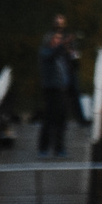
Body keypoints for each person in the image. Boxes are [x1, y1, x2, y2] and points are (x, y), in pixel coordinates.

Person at [36, 16, 81, 156]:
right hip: (51, 89)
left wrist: (72, 53)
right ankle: (43, 148)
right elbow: (53, 54)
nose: (57, 41)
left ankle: (59, 148)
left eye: (58, 39)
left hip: (62, 89)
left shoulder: (61, 54)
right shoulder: (45, 52)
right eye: (55, 39)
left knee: (62, 119)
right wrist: (64, 44)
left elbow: (74, 65)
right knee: (49, 118)